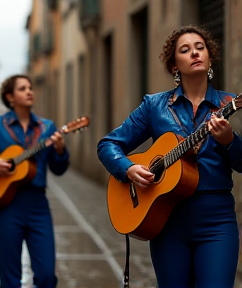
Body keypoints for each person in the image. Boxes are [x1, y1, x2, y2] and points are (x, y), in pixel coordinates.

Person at [97, 25, 242, 288]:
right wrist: (128, 169)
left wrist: (229, 141)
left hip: (217, 220)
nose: (194, 53)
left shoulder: (228, 103)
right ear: (174, 66)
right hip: (167, 220)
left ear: (209, 58)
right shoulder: (154, 106)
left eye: (200, 48)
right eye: (185, 50)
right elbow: (108, 145)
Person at [0, 74, 69, 288]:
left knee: (46, 276)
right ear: (10, 97)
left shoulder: (47, 128)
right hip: (6, 208)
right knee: (10, 280)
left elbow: (59, 169)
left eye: (30, 87)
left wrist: (61, 150)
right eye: (22, 88)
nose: (29, 91)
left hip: (38, 207)